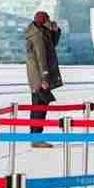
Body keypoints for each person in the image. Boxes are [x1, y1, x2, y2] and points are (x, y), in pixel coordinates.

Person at [25, 11, 63, 148]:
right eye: (48, 20)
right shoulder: (38, 35)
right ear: (43, 21)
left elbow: (52, 44)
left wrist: (56, 31)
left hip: (37, 77)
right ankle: (36, 138)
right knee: (39, 108)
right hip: (39, 78)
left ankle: (35, 137)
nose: (50, 21)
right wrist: (45, 78)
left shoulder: (40, 31)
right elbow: (41, 58)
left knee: (39, 106)